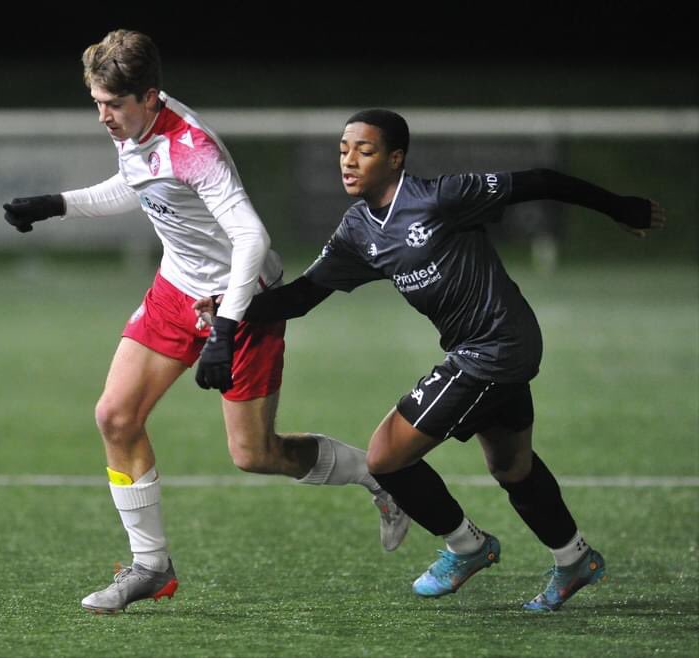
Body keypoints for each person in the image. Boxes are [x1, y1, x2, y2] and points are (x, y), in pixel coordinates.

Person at [1, 32, 410, 614]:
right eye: (97, 103)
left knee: (255, 453)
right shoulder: (136, 131)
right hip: (177, 289)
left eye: (114, 104)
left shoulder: (192, 146)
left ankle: (378, 478)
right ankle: (150, 567)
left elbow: (251, 238)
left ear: (149, 95)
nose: (104, 117)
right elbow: (139, 184)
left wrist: (225, 328)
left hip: (241, 299)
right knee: (115, 416)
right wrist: (57, 204)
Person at [195, 108, 666, 611]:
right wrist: (234, 307)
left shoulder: (440, 198)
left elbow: (542, 180)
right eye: (343, 150)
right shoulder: (359, 228)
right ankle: (575, 560)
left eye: (365, 151)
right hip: (489, 350)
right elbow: (304, 296)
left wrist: (620, 206)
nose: (349, 161)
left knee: (384, 457)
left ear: (396, 159)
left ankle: (468, 547)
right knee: (511, 466)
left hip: (493, 348)